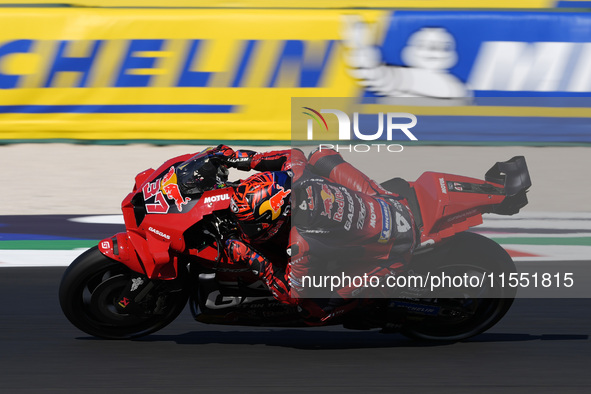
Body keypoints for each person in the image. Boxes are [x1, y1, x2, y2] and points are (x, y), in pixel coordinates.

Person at [216, 145, 417, 323]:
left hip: (394, 247)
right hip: (386, 202)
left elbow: (291, 295)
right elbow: (293, 154)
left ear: (280, 218)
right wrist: (240, 158)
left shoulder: (300, 242)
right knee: (321, 154)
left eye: (250, 225)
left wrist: (247, 254)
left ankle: (372, 298)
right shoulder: (298, 175)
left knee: (313, 311)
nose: (243, 228)